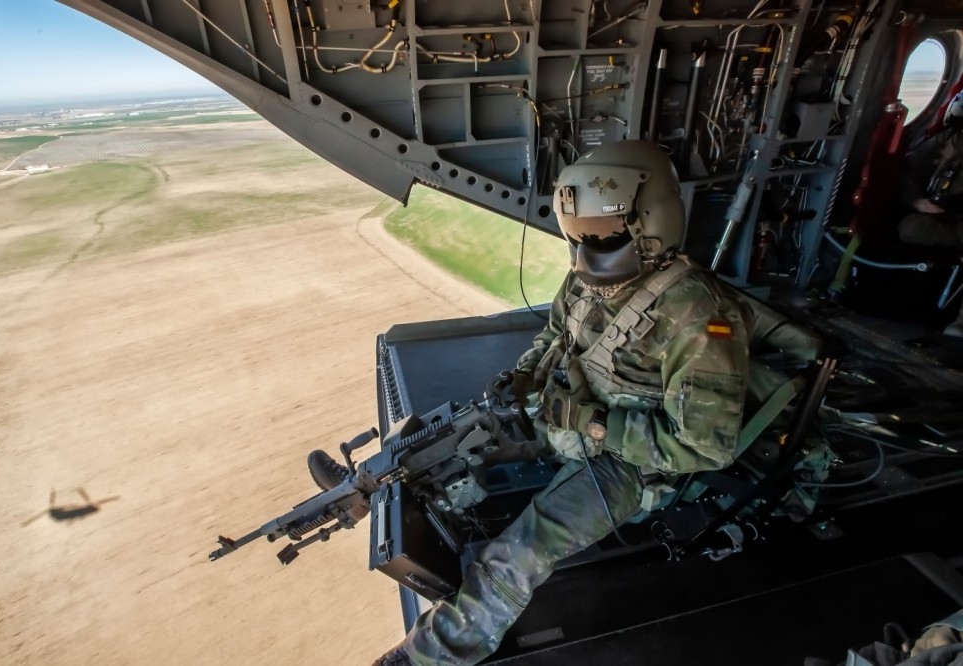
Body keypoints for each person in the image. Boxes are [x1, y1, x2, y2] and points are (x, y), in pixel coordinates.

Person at [308, 140, 819, 665]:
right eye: (578, 235)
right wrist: (525, 376)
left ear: (650, 221)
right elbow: (556, 335)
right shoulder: (591, 276)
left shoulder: (697, 315)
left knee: (521, 549)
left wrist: (592, 424)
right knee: (454, 436)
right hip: (570, 410)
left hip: (633, 462)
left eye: (600, 233)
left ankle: (424, 657)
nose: (587, 248)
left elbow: (705, 448)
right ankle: (368, 487)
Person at [898, 90, 963, 337]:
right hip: (939, 217)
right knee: (910, 228)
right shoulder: (946, 139)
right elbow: (910, 172)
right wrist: (917, 202)